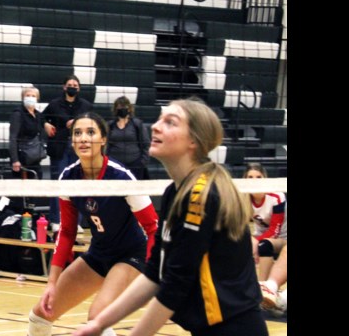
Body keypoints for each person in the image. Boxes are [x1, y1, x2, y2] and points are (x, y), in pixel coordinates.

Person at [73, 99, 268, 336]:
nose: (155, 126)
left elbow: (175, 285)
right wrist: (99, 323)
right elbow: (155, 273)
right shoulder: (174, 192)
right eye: (159, 119)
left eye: (170, 122)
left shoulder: (200, 196)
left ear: (193, 141)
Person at [27, 113, 157, 336]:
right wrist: (51, 282)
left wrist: (152, 275)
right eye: (78, 133)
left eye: (90, 132)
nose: (83, 138)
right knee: (41, 314)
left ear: (103, 139)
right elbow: (67, 232)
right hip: (99, 254)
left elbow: (153, 227)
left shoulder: (121, 177)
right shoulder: (69, 177)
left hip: (131, 255)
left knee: (97, 318)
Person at [43, 75, 93, 226]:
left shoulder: (86, 105)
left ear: (79, 88)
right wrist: (46, 124)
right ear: (64, 87)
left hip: (79, 148)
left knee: (76, 183)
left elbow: (93, 122)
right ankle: (56, 220)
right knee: (59, 182)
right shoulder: (55, 104)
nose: (72, 87)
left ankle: (74, 222)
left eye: (75, 85)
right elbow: (41, 117)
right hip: (60, 148)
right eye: (70, 84)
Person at [244, 162, 286, 280]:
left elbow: (275, 231)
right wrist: (251, 239)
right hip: (261, 236)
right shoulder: (244, 197)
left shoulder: (276, 196)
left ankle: (263, 286)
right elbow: (240, 225)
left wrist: (255, 241)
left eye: (258, 177)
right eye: (250, 177)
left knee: (264, 245)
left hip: (282, 238)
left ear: (265, 178)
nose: (255, 181)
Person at [105, 96, 149, 179]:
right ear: (115, 109)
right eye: (119, 107)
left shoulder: (137, 124)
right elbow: (105, 144)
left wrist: (142, 162)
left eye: (124, 107)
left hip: (135, 165)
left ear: (129, 109)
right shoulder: (110, 125)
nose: (122, 109)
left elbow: (146, 144)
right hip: (115, 165)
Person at [9, 85, 45, 179]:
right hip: (22, 156)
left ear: (37, 98)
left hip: (35, 157)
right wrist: (15, 160)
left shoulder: (38, 115)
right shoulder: (18, 114)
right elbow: (13, 138)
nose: (30, 98)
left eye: (33, 96)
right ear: (23, 98)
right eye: (27, 95)